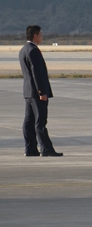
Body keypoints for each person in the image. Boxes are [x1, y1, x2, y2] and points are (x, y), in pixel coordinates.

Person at [19, 25, 62, 157]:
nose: (42, 37)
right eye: (41, 35)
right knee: (40, 121)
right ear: (35, 36)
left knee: (29, 121)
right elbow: (36, 73)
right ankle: (46, 148)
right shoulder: (33, 50)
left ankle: (30, 149)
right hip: (36, 93)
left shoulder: (23, 50)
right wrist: (41, 91)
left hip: (28, 92)